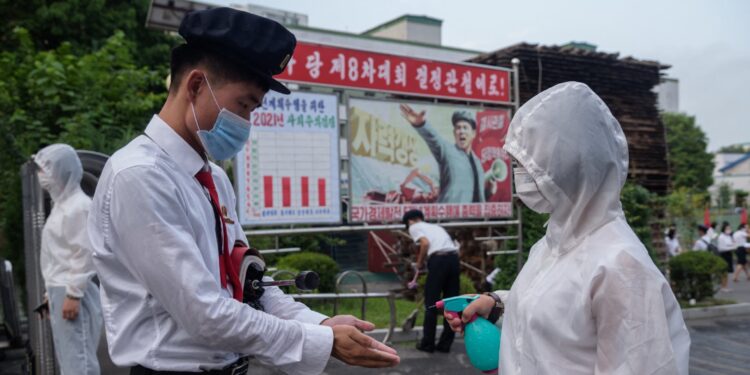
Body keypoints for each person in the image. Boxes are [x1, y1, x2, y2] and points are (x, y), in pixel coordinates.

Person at [87, 8, 398, 375]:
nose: (246, 123)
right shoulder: (140, 177)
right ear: (196, 85)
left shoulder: (212, 178)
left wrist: (319, 325)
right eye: (243, 105)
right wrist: (320, 342)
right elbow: (205, 314)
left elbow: (248, 285)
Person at [444, 82, 690, 374]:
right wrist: (497, 303)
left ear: (569, 167)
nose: (518, 176)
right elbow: (562, 310)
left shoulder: (622, 266)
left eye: (528, 165)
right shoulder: (553, 244)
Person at [34, 144, 102, 375]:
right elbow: (59, 256)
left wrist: (73, 293)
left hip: (72, 293)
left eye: (46, 169)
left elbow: (83, 252)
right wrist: (49, 295)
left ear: (63, 170)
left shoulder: (79, 207)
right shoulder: (61, 206)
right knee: (69, 359)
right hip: (61, 290)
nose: (41, 175)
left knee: (79, 361)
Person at [400, 105, 496, 203]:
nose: (461, 131)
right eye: (458, 128)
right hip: (449, 216)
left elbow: (476, 196)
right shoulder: (447, 151)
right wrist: (421, 124)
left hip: (474, 216)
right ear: (454, 132)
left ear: (473, 133)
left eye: (465, 127)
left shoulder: (477, 163)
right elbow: (434, 139)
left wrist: (489, 191)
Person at [403, 209, 460, 353]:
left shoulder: (414, 226)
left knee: (431, 304)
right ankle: (445, 344)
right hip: (453, 260)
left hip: (438, 260)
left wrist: (420, 262)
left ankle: (427, 344)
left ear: (410, 221)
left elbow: (425, 243)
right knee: (451, 303)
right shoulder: (436, 227)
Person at [717, 222, 736, 291]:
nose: (729, 230)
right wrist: (732, 247)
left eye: (729, 228)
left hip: (729, 254)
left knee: (727, 271)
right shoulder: (721, 237)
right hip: (724, 255)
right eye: (727, 228)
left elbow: (732, 243)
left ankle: (726, 286)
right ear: (724, 229)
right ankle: (723, 286)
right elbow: (721, 248)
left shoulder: (728, 236)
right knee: (724, 271)